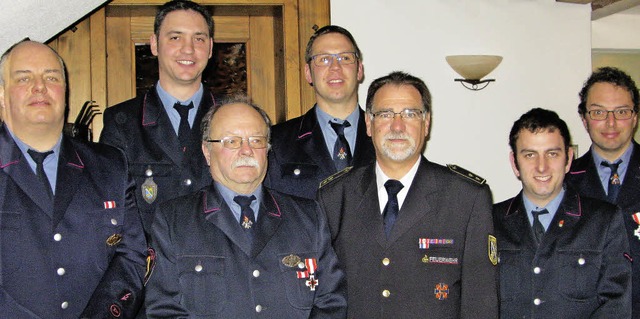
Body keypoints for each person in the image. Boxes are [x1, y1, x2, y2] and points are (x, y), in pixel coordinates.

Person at [144, 96, 347, 318]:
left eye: (256, 140)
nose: (246, 150)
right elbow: (164, 309)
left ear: (268, 149)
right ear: (206, 151)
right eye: (231, 141)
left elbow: (330, 303)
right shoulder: (174, 221)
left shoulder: (308, 217)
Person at [317, 71, 498, 318]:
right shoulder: (335, 196)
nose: (397, 126)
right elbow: (322, 297)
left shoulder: (466, 198)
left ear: (427, 123)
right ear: (368, 124)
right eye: (385, 114)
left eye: (410, 114)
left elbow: (481, 302)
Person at [0, 40, 147, 318]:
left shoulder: (110, 166)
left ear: (65, 94)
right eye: (24, 78)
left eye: (51, 77)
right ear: (2, 96)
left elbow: (131, 255)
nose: (40, 86)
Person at [496, 108, 631, 317]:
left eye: (552, 154)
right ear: (515, 163)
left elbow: (615, 308)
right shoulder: (490, 221)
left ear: (568, 158)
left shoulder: (603, 221)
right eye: (530, 155)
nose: (542, 167)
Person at [100, 0, 215, 233]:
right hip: (151, 265)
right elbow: (110, 209)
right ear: (154, 44)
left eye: (199, 38)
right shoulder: (122, 122)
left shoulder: (234, 117)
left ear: (211, 48)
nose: (188, 49)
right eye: (175, 37)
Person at [265, 25, 375, 199]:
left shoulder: (384, 136)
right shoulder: (276, 142)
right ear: (308, 73)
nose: (335, 67)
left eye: (345, 58)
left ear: (359, 70)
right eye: (324, 59)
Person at [564, 67, 640, 316]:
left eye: (621, 112)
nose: (611, 122)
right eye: (598, 112)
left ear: (635, 117)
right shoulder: (562, 185)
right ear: (584, 119)